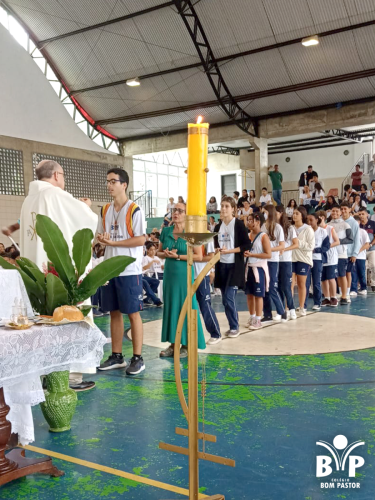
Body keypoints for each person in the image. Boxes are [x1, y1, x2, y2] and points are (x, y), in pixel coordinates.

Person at [19, 159, 97, 392]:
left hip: (36, 277)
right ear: (55, 176)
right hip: (57, 273)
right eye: (62, 176)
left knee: (42, 321)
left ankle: (45, 376)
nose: (63, 181)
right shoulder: (54, 195)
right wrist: (87, 205)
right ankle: (70, 377)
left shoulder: (28, 200)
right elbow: (87, 221)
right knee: (68, 319)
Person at [97, 168, 146, 375]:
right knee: (114, 312)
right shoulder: (105, 210)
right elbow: (101, 236)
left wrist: (114, 242)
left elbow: (142, 239)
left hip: (129, 269)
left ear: (124, 184)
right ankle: (117, 356)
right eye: (108, 181)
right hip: (110, 268)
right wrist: (101, 241)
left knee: (133, 313)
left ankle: (138, 358)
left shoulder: (134, 209)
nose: (109, 185)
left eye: (113, 181)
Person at [157, 204, 204, 358]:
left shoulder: (191, 232)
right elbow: (158, 252)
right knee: (171, 307)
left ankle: (186, 344)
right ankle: (173, 343)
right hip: (169, 275)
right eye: (174, 210)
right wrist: (165, 253)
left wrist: (178, 256)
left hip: (184, 275)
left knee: (186, 306)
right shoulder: (166, 231)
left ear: (186, 214)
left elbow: (199, 256)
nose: (176, 213)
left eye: (180, 211)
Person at [213, 196, 251, 338]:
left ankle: (235, 327)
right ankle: (231, 326)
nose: (223, 208)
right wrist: (217, 250)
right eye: (222, 205)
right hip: (221, 266)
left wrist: (230, 251)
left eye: (227, 206)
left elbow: (247, 245)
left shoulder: (238, 225)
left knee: (229, 297)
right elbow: (216, 245)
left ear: (233, 209)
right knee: (224, 299)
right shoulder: (218, 227)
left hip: (235, 267)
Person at [244, 213, 272, 330]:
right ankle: (252, 316)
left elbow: (268, 254)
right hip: (249, 267)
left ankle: (259, 319)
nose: (249, 222)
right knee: (249, 294)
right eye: (248, 220)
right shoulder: (248, 235)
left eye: (251, 220)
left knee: (258, 295)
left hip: (259, 268)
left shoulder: (263, 236)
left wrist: (252, 254)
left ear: (258, 221)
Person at [261, 205, 287, 323]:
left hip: (273, 261)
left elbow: (282, 246)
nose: (263, 214)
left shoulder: (278, 228)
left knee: (272, 287)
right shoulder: (262, 226)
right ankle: (267, 314)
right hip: (263, 260)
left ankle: (282, 311)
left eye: (265, 212)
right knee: (264, 288)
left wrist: (270, 250)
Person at [195, 240, 221, 344]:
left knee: (205, 305)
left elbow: (211, 257)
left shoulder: (206, 235)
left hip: (201, 276)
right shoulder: (185, 233)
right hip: (187, 276)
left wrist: (195, 258)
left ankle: (215, 334)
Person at [292, 206, 315, 316]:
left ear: (302, 215)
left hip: (303, 259)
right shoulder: (290, 228)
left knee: (301, 284)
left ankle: (302, 307)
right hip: (291, 258)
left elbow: (311, 246)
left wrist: (297, 243)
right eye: (294, 213)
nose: (294, 215)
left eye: (297, 213)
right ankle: (289, 308)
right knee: (290, 284)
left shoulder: (308, 229)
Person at [276, 206, 298, 320]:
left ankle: (292, 309)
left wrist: (284, 249)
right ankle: (281, 311)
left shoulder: (289, 228)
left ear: (281, 213)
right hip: (275, 260)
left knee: (286, 286)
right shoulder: (273, 227)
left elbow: (296, 244)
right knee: (277, 286)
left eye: (276, 213)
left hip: (285, 260)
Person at [327, 205, 353, 304]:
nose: (335, 213)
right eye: (333, 211)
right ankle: (332, 296)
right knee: (333, 276)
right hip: (330, 254)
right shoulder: (328, 225)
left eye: (337, 211)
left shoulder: (346, 225)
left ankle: (344, 296)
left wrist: (337, 241)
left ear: (340, 213)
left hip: (341, 254)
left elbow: (350, 239)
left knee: (342, 275)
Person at [305, 213, 330, 311]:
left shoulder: (322, 232)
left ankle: (317, 302)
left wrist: (316, 250)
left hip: (317, 259)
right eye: (307, 220)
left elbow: (326, 246)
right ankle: (303, 304)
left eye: (311, 220)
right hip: (306, 259)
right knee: (305, 283)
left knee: (316, 282)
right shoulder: (305, 231)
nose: (309, 222)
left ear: (317, 220)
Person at [317, 211, 340, 307]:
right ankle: (326, 298)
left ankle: (333, 297)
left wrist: (327, 246)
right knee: (323, 279)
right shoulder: (316, 229)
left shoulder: (330, 228)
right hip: (321, 257)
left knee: (331, 278)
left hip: (331, 257)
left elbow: (337, 241)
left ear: (322, 217)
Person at [340, 202, 360, 302]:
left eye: (345, 209)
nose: (343, 211)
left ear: (349, 209)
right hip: (339, 253)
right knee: (340, 274)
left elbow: (357, 239)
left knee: (347, 273)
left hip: (349, 253)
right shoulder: (338, 221)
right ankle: (341, 292)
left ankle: (346, 293)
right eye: (342, 209)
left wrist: (355, 253)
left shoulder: (354, 223)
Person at [351, 214, 370, 296]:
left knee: (361, 272)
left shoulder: (363, 232)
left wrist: (357, 251)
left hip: (361, 256)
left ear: (359, 222)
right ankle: (354, 289)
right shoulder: (349, 232)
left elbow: (367, 244)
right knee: (353, 273)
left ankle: (363, 288)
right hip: (351, 256)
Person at [358, 207, 375, 292]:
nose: (361, 216)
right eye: (359, 214)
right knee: (362, 268)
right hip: (361, 251)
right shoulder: (357, 225)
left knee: (373, 266)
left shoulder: (373, 223)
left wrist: (371, 244)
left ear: (367, 214)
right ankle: (362, 285)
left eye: (363, 214)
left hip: (372, 249)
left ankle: (373, 284)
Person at [142, 242, 163, 307]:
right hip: (149, 274)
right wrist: (152, 262)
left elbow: (162, 266)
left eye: (154, 249)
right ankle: (156, 300)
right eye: (151, 250)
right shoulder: (145, 258)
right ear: (147, 250)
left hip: (159, 273)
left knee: (156, 281)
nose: (153, 251)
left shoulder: (157, 257)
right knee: (147, 281)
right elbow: (144, 268)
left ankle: (148, 298)